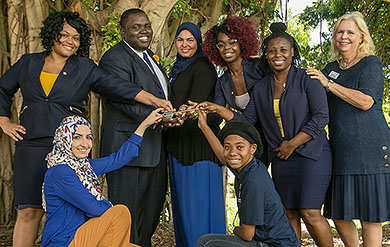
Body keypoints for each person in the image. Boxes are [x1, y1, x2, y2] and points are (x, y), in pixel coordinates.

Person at [0, 11, 170, 247]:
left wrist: (155, 100)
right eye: (64, 35)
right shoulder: (28, 63)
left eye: (76, 37)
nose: (70, 41)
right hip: (32, 145)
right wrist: (4, 120)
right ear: (52, 35)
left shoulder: (84, 68)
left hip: (72, 148)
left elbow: (118, 86)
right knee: (29, 211)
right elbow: (3, 88)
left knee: (74, 209)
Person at [199, 23, 333, 246]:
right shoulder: (261, 87)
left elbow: (321, 118)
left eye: (283, 50)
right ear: (266, 55)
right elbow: (247, 121)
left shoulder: (307, 79)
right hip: (280, 157)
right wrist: (218, 110)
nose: (277, 55)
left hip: (312, 153)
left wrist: (292, 144)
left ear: (292, 52)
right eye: (272, 51)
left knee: (310, 212)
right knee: (288, 212)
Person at [306, 11, 390, 247]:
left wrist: (329, 84)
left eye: (350, 32)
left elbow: (366, 102)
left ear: (361, 37)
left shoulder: (370, 63)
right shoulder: (330, 67)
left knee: (370, 216)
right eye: (339, 32)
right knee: (340, 215)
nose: (343, 36)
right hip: (341, 150)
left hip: (371, 148)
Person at [99, 8, 171, 247]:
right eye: (136, 27)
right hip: (127, 150)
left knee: (149, 216)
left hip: (155, 149)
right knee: (126, 217)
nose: (144, 31)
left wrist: (172, 116)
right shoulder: (114, 58)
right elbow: (122, 101)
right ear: (122, 31)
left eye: (146, 26)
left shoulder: (150, 57)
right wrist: (161, 117)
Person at [41, 109, 163, 246]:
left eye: (88, 137)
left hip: (89, 235)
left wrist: (145, 124)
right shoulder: (59, 172)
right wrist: (108, 208)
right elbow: (94, 208)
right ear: (64, 139)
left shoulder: (85, 167)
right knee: (119, 212)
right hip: (64, 241)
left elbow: (119, 159)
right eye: (77, 137)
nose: (85, 144)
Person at [165, 22, 226, 247]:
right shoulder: (177, 68)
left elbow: (197, 104)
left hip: (198, 148)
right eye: (180, 39)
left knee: (198, 210)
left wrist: (184, 112)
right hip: (178, 145)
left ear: (198, 43)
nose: (184, 44)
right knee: (184, 212)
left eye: (190, 40)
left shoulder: (202, 66)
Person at [196, 116, 300, 247]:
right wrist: (204, 126)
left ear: (253, 148)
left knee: (207, 243)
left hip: (274, 244)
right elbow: (224, 158)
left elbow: (247, 234)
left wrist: (235, 229)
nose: (233, 153)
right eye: (227, 147)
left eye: (239, 147)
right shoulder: (248, 166)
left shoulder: (253, 181)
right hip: (266, 241)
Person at [201, 16, 268, 164]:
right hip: (248, 139)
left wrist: (217, 109)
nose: (227, 48)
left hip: (272, 132)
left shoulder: (259, 67)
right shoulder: (223, 81)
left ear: (242, 43)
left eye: (232, 42)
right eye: (221, 44)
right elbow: (217, 118)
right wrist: (199, 111)